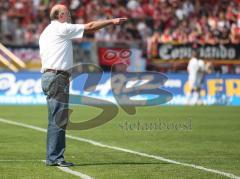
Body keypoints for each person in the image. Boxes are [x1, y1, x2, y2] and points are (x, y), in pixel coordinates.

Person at [39, 4, 127, 167]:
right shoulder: (61, 28)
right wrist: (111, 21)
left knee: (55, 119)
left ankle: (53, 156)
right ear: (61, 15)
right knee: (59, 119)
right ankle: (55, 158)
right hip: (57, 76)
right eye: (67, 13)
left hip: (48, 76)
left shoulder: (46, 31)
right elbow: (91, 26)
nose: (70, 16)